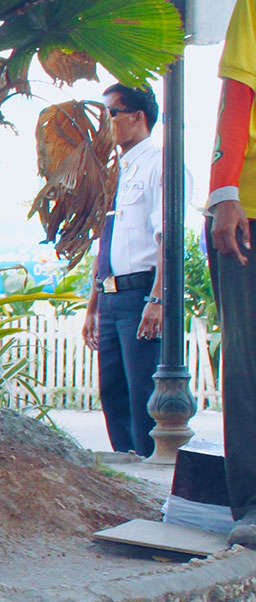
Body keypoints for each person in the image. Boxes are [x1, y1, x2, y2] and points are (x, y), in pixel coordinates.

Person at [81, 83, 179, 459]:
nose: (106, 122)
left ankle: (150, 476)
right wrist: (92, 306)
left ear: (138, 117)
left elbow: (166, 237)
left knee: (143, 397)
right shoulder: (111, 171)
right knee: (113, 393)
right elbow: (103, 240)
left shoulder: (160, 163)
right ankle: (127, 470)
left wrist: (157, 298)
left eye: (112, 113)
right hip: (109, 295)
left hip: (142, 293)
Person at [209, 0, 256, 547]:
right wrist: (224, 193)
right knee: (248, 363)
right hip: (249, 211)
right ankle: (250, 502)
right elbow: (236, 99)